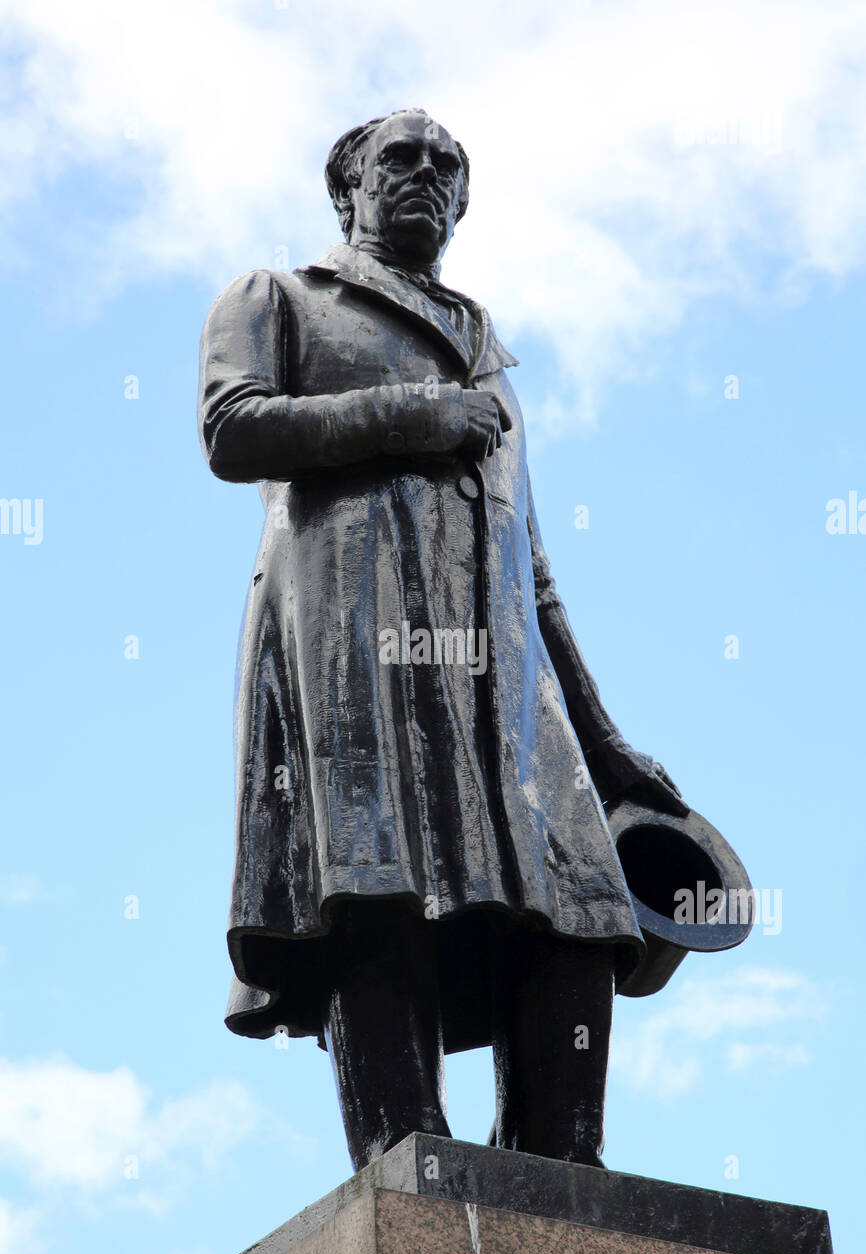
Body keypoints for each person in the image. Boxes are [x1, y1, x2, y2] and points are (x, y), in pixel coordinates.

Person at [198, 108, 686, 1173]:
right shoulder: (277, 297)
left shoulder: (492, 364)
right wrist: (411, 417)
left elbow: (535, 571)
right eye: (399, 160)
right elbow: (232, 428)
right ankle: (404, 1160)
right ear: (348, 192)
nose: (425, 175)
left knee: (582, 899)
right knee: (373, 878)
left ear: (463, 202)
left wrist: (603, 743)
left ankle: (564, 1171)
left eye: (447, 166)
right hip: (348, 633)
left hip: (501, 678)